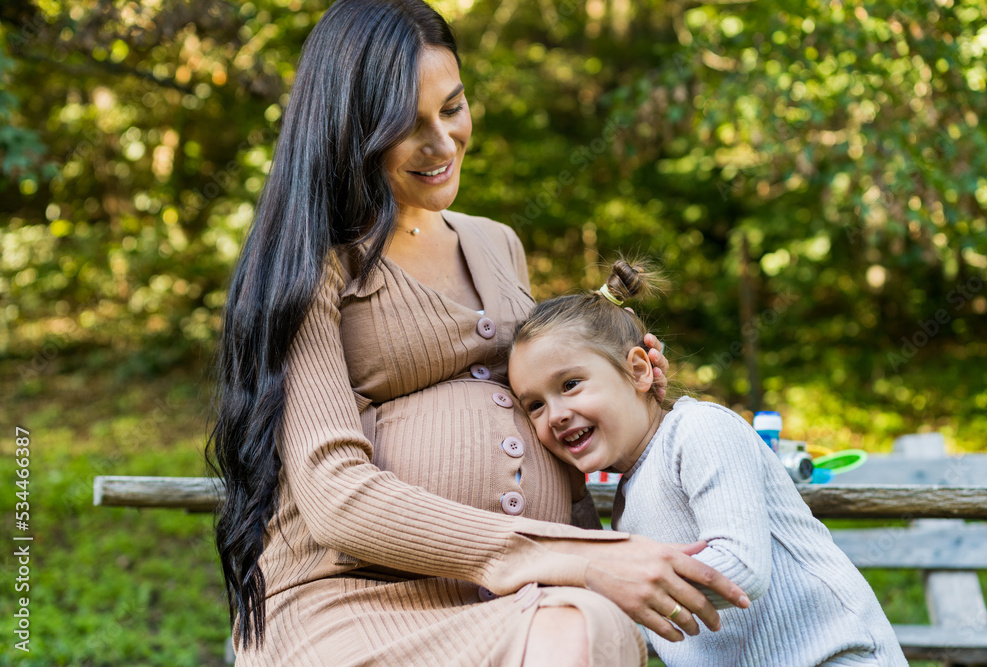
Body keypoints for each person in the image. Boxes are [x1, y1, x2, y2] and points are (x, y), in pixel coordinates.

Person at [206, 1, 751, 665]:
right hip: (348, 597)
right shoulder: (307, 267)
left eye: (454, 106)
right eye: (407, 126)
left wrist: (627, 398)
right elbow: (336, 497)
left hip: (522, 595)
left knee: (591, 625)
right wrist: (572, 556)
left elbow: (547, 415)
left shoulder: (499, 245)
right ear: (348, 130)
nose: (442, 142)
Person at [506, 259, 909, 666]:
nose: (555, 414)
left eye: (570, 384)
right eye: (535, 405)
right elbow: (603, 571)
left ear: (639, 370)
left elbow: (742, 568)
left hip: (836, 654)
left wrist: (621, 579)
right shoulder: (629, 495)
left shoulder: (699, 430)